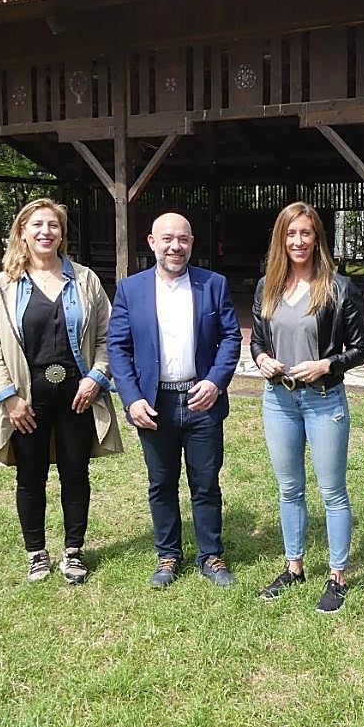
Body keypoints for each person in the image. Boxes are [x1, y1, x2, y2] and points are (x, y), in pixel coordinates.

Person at [0, 197, 122, 585]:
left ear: (62, 233)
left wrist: (96, 377)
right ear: (22, 231)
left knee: (76, 473)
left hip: (78, 397)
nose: (46, 232)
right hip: (26, 400)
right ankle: (36, 553)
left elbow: (109, 337)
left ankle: (74, 551)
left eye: (53, 225)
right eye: (37, 225)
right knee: (30, 476)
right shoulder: (3, 286)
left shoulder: (86, 280)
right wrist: (8, 397)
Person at [108, 212, 242, 589]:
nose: (175, 246)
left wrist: (215, 382)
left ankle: (210, 555)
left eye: (182, 239)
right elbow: (118, 347)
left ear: (191, 242)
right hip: (154, 404)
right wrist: (132, 399)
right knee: (161, 482)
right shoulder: (130, 290)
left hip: (202, 400)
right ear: (151, 242)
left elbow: (231, 338)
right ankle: (167, 555)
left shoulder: (212, 285)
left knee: (205, 482)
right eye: (167, 239)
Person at [250, 202, 364, 613]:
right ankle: (294, 566)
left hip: (322, 400)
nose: (298, 241)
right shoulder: (268, 286)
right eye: (290, 234)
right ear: (281, 240)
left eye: (305, 233)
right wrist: (261, 359)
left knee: (332, 491)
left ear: (317, 238)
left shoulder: (338, 287)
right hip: (279, 400)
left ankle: (338, 576)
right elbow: (258, 340)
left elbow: (359, 350)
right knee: (289, 488)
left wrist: (325, 365)